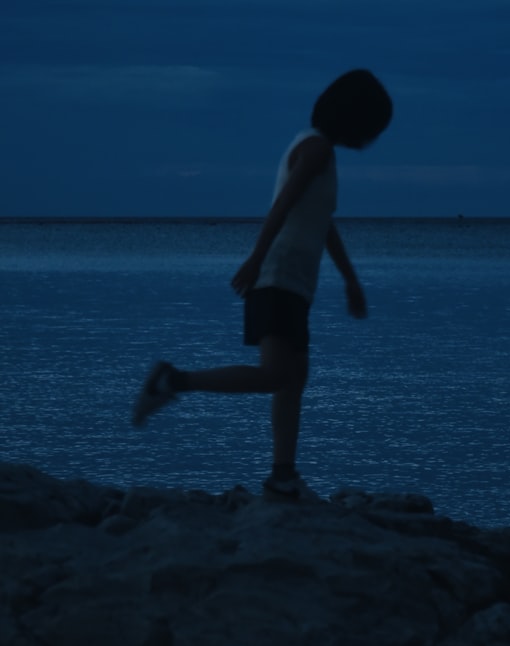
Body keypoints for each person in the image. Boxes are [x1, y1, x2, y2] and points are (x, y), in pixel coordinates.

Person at [132, 69, 393, 501]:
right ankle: (172, 381)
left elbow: (322, 222)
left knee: (294, 378)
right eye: (374, 127)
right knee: (275, 375)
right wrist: (255, 260)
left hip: (294, 281)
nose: (374, 138)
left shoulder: (318, 150)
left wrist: (350, 279)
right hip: (277, 276)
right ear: (356, 119)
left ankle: (283, 477)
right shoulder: (316, 149)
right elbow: (283, 206)